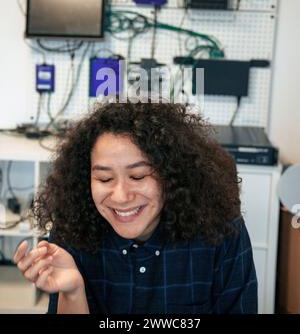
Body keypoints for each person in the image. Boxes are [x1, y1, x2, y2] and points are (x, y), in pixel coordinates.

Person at [14, 101, 257, 314]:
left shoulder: (222, 231)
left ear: (172, 175)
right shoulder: (72, 230)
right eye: (105, 179)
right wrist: (73, 292)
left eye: (138, 176)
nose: (121, 197)